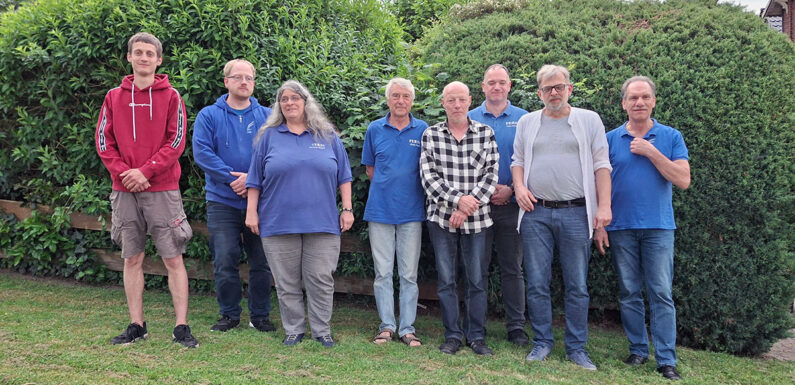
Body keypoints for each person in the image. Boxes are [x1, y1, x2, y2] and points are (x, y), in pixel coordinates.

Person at [96, 32, 198, 348]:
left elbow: (177, 141)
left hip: (163, 189)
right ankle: (136, 325)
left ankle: (181, 327)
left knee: (173, 258)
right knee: (132, 258)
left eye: (149, 53)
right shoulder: (113, 96)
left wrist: (146, 171)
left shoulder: (172, 97)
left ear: (158, 60)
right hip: (124, 189)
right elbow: (103, 141)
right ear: (129, 57)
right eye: (138, 52)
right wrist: (126, 173)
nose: (143, 57)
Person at [511, 65, 612, 369]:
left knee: (577, 284)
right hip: (535, 213)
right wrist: (518, 187)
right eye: (547, 88)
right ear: (539, 92)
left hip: (576, 213)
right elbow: (517, 160)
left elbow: (601, 165)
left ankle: (577, 348)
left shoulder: (588, 120)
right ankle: (542, 343)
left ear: (570, 89)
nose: (553, 93)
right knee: (538, 282)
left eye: (559, 87)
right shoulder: (528, 122)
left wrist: (603, 207)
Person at [594, 76, 690, 381]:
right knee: (629, 292)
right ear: (624, 103)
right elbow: (599, 183)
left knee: (660, 292)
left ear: (653, 101)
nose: (639, 102)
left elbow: (683, 180)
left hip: (658, 228)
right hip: (620, 227)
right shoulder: (609, 139)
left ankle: (666, 359)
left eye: (644, 97)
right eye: (633, 98)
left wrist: (651, 152)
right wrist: (601, 223)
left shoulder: (671, 136)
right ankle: (637, 350)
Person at [245, 80, 353, 349]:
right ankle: (293, 329)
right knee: (286, 281)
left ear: (306, 102)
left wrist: (348, 209)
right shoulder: (268, 136)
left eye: (295, 98)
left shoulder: (327, 135)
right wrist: (251, 213)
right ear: (279, 105)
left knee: (320, 279)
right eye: (284, 99)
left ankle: (321, 330)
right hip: (277, 221)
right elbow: (254, 179)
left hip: (323, 221)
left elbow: (345, 176)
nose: (290, 103)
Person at [192, 59, 275, 333]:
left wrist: (251, 180)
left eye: (249, 77)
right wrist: (231, 178)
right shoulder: (208, 116)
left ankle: (260, 315)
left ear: (254, 82)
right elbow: (203, 153)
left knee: (262, 261)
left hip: (261, 201)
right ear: (226, 81)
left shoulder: (268, 116)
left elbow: (276, 154)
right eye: (237, 77)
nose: (244, 82)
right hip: (221, 200)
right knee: (225, 258)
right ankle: (229, 314)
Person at [420, 81, 499, 356]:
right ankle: (452, 335)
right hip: (441, 219)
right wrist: (457, 201)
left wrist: (466, 207)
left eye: (461, 100)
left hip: (477, 220)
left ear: (469, 101)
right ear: (443, 102)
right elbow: (429, 178)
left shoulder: (485, 133)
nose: (456, 105)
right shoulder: (431, 135)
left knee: (477, 280)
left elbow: (491, 176)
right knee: (447, 280)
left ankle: (476, 336)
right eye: (450, 100)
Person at [362, 78, 428, 347]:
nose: (401, 101)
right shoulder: (374, 129)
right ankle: (387, 326)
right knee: (382, 273)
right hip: (380, 211)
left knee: (409, 275)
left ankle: (407, 328)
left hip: (412, 212)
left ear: (412, 100)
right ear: (388, 100)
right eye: (396, 96)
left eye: (406, 96)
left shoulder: (423, 129)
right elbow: (370, 170)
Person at [467, 64, 529, 346]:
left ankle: (516, 327)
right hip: (477, 208)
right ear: (482, 87)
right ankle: (474, 326)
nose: (496, 87)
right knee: (476, 269)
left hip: (512, 205)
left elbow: (532, 161)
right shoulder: (467, 117)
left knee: (512, 268)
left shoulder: (525, 119)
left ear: (509, 86)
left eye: (501, 82)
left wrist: (513, 191)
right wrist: (480, 195)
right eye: (491, 82)